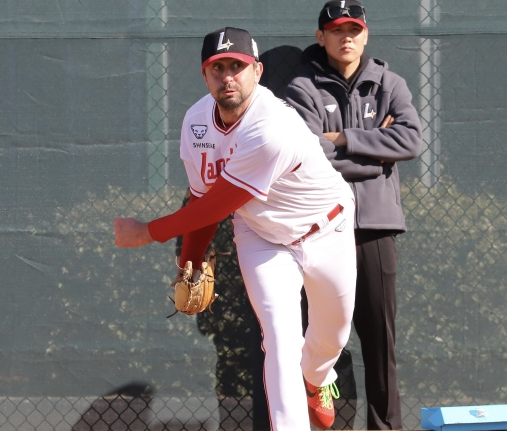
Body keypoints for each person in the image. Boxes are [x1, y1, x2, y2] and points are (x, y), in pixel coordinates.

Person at [113, 27, 357, 430]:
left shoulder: (273, 127)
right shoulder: (196, 124)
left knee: (332, 333)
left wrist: (147, 232)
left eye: (237, 66)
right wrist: (189, 265)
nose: (228, 76)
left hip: (326, 227)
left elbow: (217, 205)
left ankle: (317, 379)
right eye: (217, 67)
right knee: (278, 337)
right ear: (205, 75)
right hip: (262, 236)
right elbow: (201, 203)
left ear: (256, 71)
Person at [284, 1, 423, 429]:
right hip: (319, 230)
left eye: (354, 29)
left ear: (366, 35)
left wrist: (342, 137)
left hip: (375, 229)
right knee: (320, 343)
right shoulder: (300, 88)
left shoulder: (391, 83)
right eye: (337, 29)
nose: (347, 37)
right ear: (320, 35)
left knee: (381, 345)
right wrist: (376, 150)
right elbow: (304, 156)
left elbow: (411, 141)